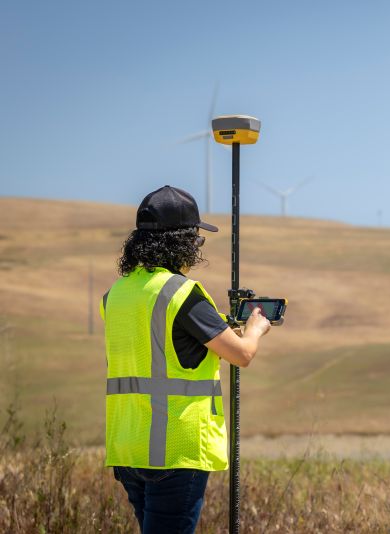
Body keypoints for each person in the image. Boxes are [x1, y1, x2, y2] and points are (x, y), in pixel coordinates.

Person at [100, 185, 270, 533]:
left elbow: (160, 349)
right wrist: (255, 328)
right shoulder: (180, 293)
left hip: (129, 447)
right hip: (175, 450)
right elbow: (242, 355)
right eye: (197, 240)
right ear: (182, 241)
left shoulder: (115, 294)